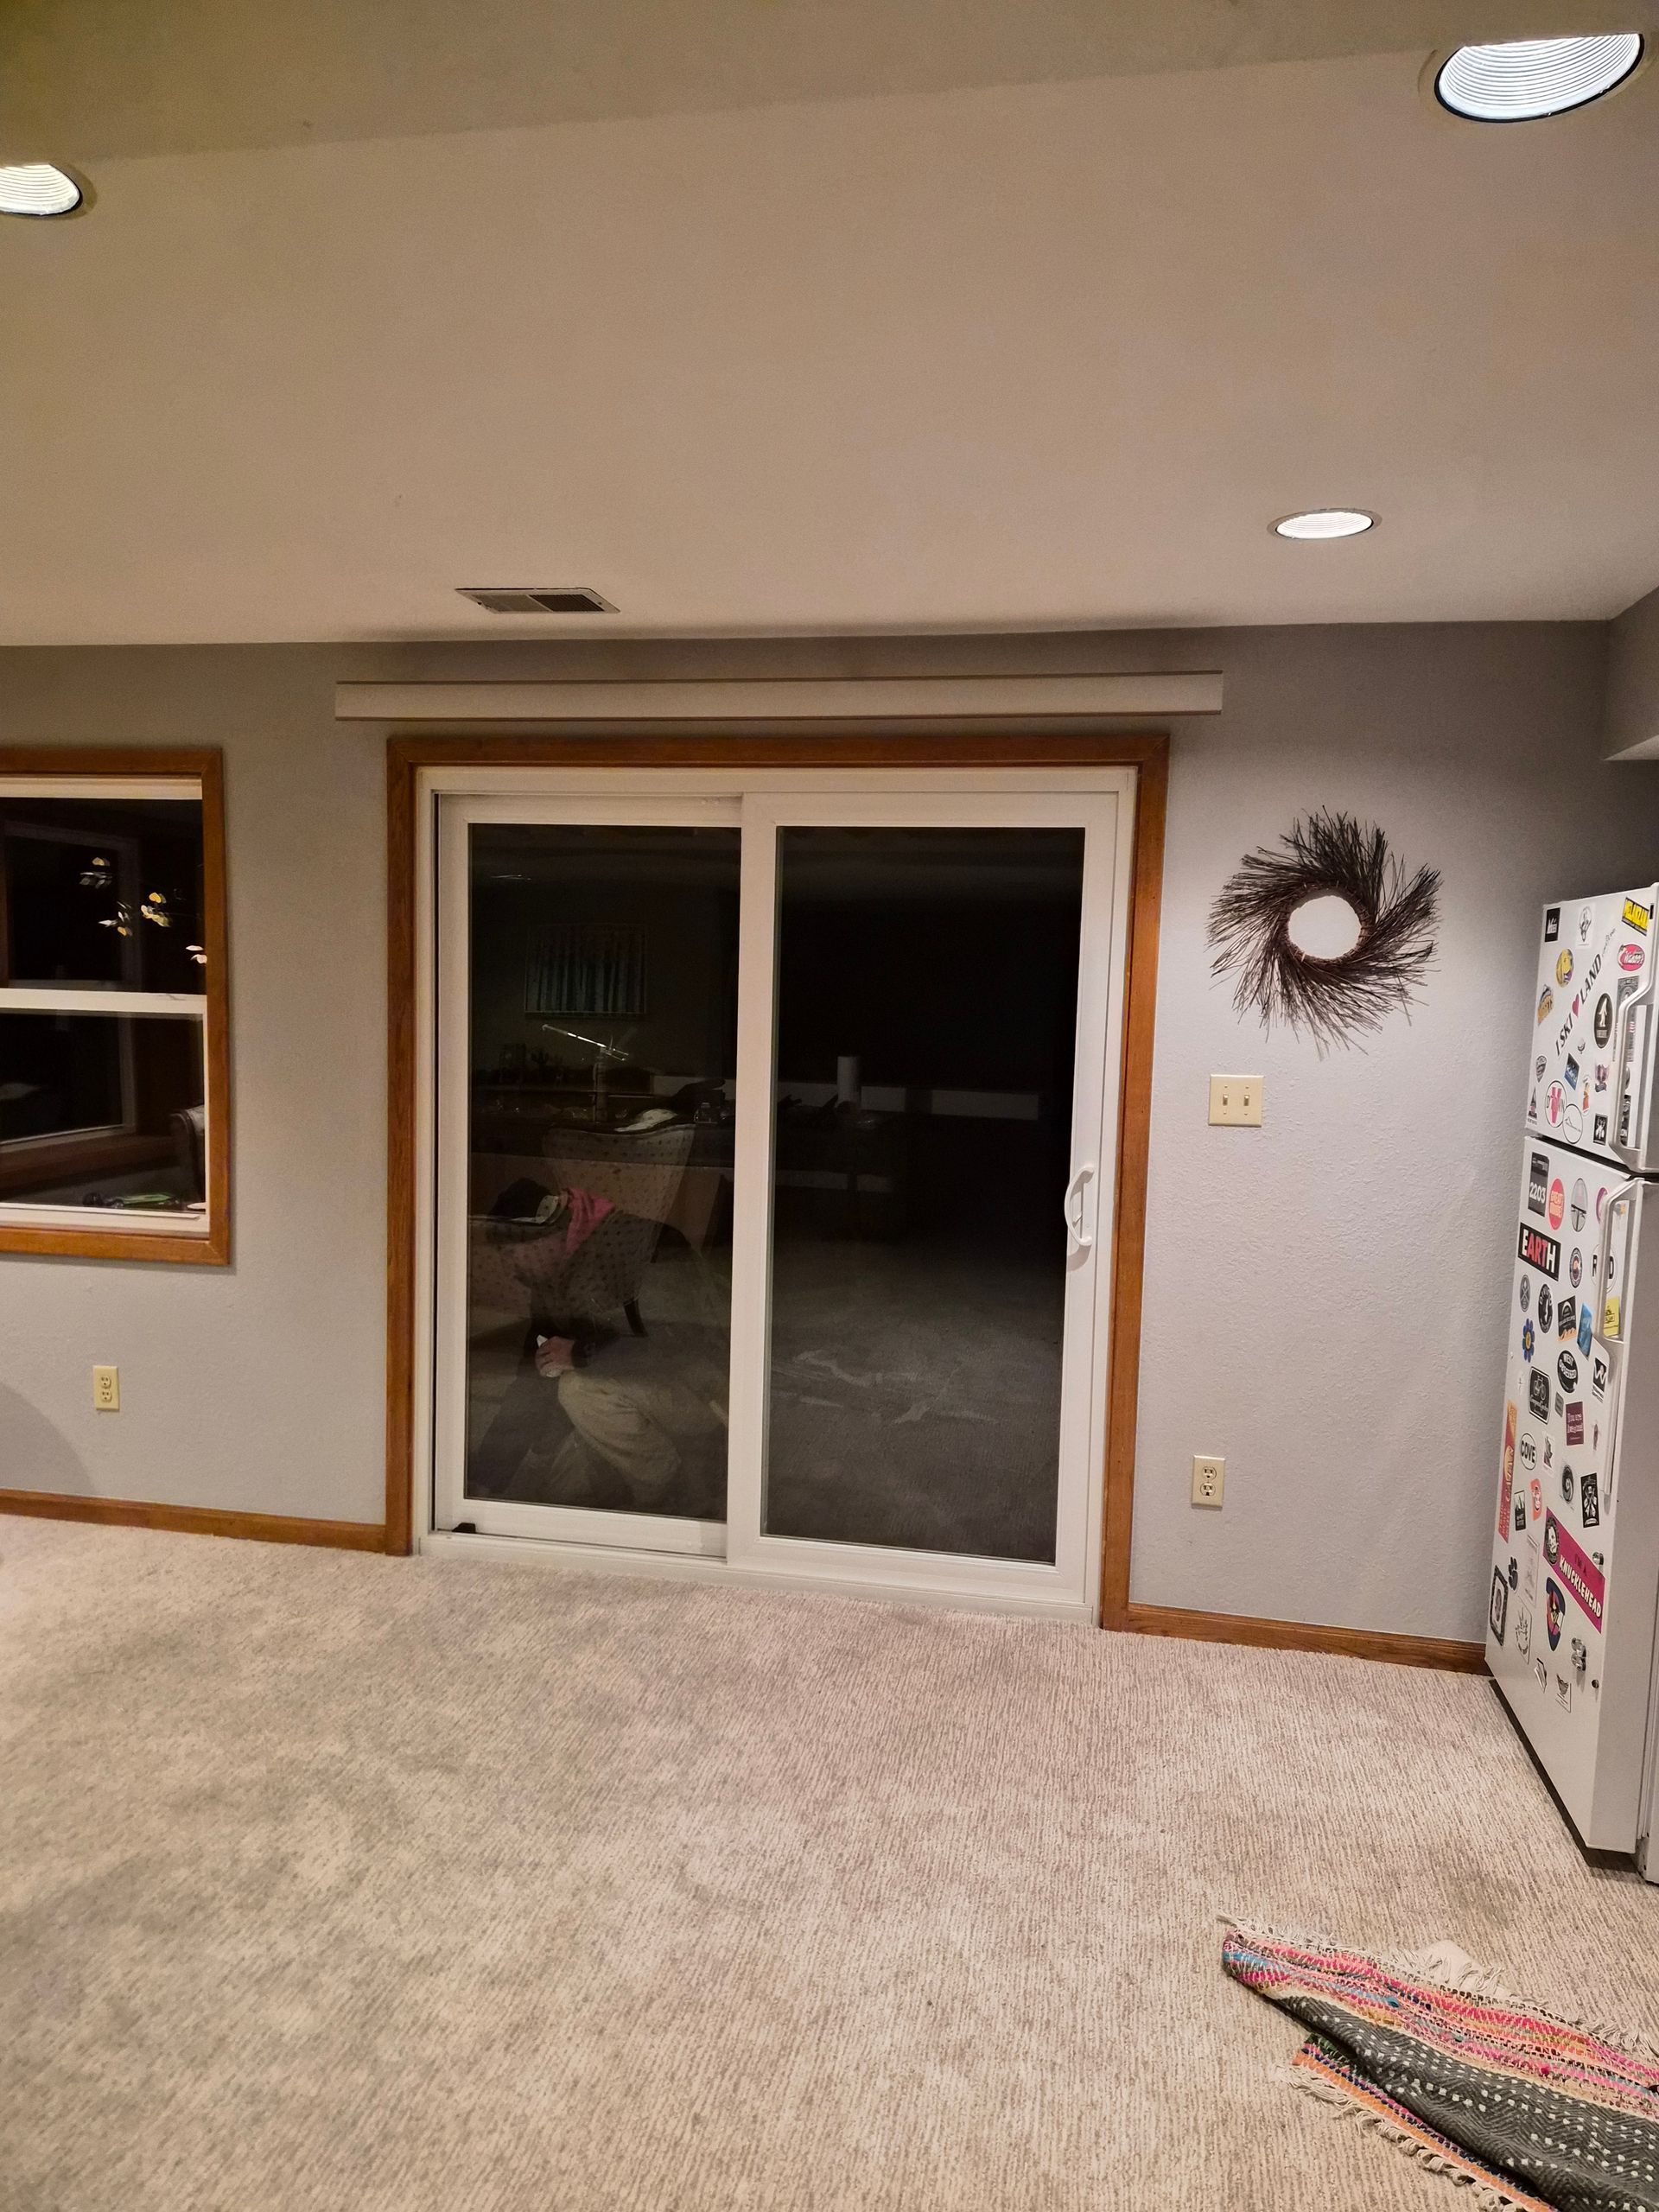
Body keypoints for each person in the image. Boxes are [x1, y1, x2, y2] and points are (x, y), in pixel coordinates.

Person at [469, 1176, 725, 1515]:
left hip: (710, 1395)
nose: (509, 1268)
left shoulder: (637, 1243)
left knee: (577, 1390)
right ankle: (665, 1474)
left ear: (541, 1237)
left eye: (510, 1253)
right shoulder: (552, 1279)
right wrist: (486, 1478)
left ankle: (671, 1494)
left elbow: (678, 1343)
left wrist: (579, 1354)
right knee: (560, 1490)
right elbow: (530, 1383)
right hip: (644, 1396)